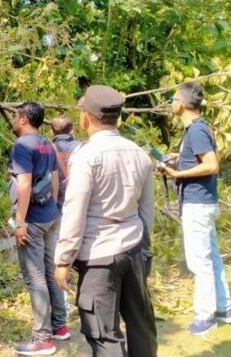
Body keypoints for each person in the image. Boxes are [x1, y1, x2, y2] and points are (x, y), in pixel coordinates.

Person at [54, 85, 157, 357]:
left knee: (104, 335)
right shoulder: (139, 153)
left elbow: (75, 212)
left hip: (99, 257)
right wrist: (142, 247)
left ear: (86, 118)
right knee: (141, 326)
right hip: (134, 249)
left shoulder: (86, 157)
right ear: (118, 118)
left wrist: (63, 260)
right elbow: (147, 210)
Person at [160, 83, 231, 335]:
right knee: (212, 257)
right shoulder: (197, 130)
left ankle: (206, 317)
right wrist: (177, 159)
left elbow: (212, 165)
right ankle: (224, 309)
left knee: (199, 262)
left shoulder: (196, 131)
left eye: (172, 98)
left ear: (180, 103)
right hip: (203, 203)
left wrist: (177, 173)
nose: (171, 103)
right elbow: (200, 159)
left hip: (198, 204)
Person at [9, 102, 69, 356]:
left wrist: (20, 221)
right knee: (50, 271)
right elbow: (56, 178)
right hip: (51, 216)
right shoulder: (46, 143)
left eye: (15, 116)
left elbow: (24, 184)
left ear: (23, 118)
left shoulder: (22, 145)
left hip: (33, 220)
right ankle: (60, 326)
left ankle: (42, 339)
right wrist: (53, 207)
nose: (13, 120)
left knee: (35, 278)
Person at [49, 115, 81, 317]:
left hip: (58, 209)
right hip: (81, 210)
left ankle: (64, 306)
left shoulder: (47, 149)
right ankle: (87, 300)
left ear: (52, 131)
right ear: (72, 130)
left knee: (59, 258)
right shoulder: (83, 148)